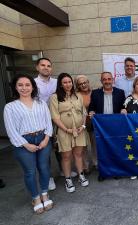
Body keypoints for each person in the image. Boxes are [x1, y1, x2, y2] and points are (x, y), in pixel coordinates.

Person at [4, 75, 53, 214]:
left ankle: (44, 193)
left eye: (27, 85)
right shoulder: (10, 107)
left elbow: (48, 122)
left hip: (43, 138)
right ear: (15, 87)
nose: (24, 88)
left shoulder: (41, 103)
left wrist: (46, 139)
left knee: (44, 168)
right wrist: (26, 144)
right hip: (23, 142)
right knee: (30, 172)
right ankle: (36, 198)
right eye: (20, 85)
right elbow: (11, 130)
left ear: (32, 87)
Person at [49, 73, 89, 193]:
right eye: (65, 82)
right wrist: (67, 129)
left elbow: (84, 112)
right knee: (66, 156)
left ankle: (81, 175)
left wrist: (82, 126)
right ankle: (68, 179)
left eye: (69, 82)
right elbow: (55, 117)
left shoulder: (78, 95)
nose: (68, 84)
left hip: (79, 130)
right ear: (60, 84)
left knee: (78, 154)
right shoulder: (54, 97)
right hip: (64, 131)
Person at [88, 72, 126, 181]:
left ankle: (115, 171)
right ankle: (103, 172)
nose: (107, 81)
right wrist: (91, 112)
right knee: (102, 150)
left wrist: (123, 110)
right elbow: (92, 107)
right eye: (105, 79)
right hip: (101, 128)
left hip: (115, 127)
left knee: (115, 149)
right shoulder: (95, 93)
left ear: (113, 80)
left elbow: (123, 107)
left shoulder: (120, 93)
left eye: (109, 79)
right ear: (101, 81)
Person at [34, 57, 58, 191]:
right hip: (41, 121)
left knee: (60, 146)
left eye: (48, 66)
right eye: (43, 65)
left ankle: (62, 170)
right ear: (37, 67)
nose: (46, 68)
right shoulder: (32, 83)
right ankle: (48, 178)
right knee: (45, 151)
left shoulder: (56, 82)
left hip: (57, 120)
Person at [75, 75, 93, 175]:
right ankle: (85, 166)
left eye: (85, 82)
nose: (83, 85)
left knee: (95, 144)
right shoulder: (76, 95)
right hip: (81, 124)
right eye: (80, 84)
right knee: (83, 146)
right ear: (78, 86)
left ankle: (96, 163)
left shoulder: (94, 92)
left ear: (88, 82)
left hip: (93, 123)